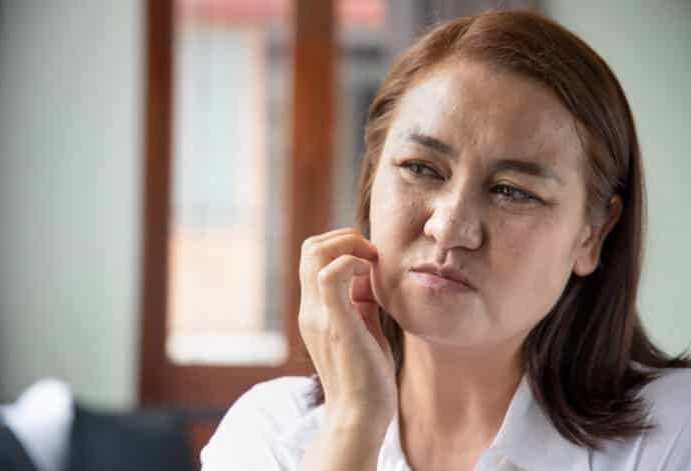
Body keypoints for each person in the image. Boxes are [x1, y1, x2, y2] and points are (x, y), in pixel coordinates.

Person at [200, 9, 691, 471]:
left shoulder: (672, 434)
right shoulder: (269, 432)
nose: (450, 227)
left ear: (593, 234)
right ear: (372, 179)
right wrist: (353, 424)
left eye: (512, 192)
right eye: (420, 168)